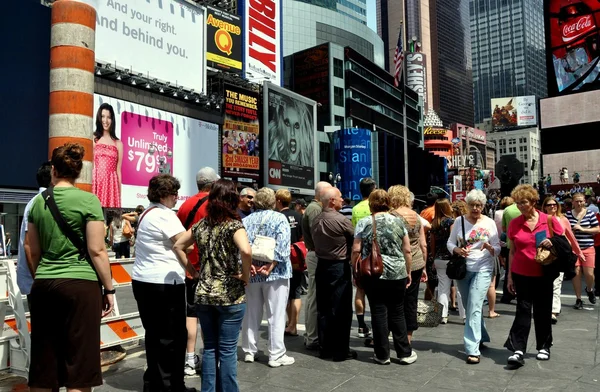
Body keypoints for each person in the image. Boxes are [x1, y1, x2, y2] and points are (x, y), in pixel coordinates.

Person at [25, 143, 115, 390]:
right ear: (78, 172)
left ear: (53, 170)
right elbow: (97, 250)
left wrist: (41, 275)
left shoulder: (37, 203)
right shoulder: (89, 201)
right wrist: (109, 289)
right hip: (81, 286)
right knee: (79, 366)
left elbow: (30, 249)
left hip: (44, 285)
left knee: (45, 364)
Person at [173, 179, 251, 392]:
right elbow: (246, 251)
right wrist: (245, 275)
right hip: (229, 294)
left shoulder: (201, 225)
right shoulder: (234, 225)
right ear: (232, 198)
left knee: (209, 348)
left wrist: (192, 270)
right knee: (227, 350)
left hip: (204, 292)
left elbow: (178, 245)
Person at [132, 174, 198, 392]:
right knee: (172, 337)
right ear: (164, 195)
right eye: (174, 194)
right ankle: (171, 385)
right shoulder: (164, 215)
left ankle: (154, 382)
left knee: (154, 335)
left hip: (143, 280)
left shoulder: (146, 213)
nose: (176, 198)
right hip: (164, 283)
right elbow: (184, 244)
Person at [352, 189, 417, 365]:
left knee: (378, 312)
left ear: (371, 203)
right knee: (397, 312)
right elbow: (407, 250)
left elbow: (356, 249)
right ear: (388, 202)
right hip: (397, 273)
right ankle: (404, 353)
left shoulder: (364, 222)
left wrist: (355, 270)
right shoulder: (398, 222)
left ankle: (382, 355)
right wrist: (408, 271)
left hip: (372, 273)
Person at [504, 185, 564, 367]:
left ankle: (544, 346)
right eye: (518, 203)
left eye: (524, 202)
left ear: (533, 202)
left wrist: (551, 241)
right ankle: (518, 349)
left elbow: (562, 242)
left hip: (544, 273)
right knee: (522, 309)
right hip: (522, 273)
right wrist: (509, 276)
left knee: (543, 310)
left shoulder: (550, 220)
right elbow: (512, 252)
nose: (521, 206)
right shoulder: (515, 223)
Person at [241, 188, 294, 367]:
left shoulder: (246, 220)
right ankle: (276, 354)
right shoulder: (280, 218)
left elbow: (242, 247)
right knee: (276, 314)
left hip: (252, 272)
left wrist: (250, 266)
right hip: (276, 273)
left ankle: (249, 350)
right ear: (273, 202)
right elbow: (283, 247)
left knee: (251, 313)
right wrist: (271, 266)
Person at [447, 189, 501, 365]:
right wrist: (457, 250)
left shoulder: (490, 223)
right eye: (472, 205)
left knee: (475, 306)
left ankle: (472, 348)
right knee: (469, 305)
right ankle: (482, 335)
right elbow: (450, 242)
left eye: (479, 205)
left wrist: (492, 249)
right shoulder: (459, 221)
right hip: (463, 268)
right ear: (467, 206)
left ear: (483, 206)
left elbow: (497, 246)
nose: (476, 209)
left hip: (483, 267)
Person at [176, 167, 220, 377]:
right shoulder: (214, 205)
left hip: (189, 268)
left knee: (191, 313)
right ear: (212, 185)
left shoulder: (185, 205)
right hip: (210, 268)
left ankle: (189, 359)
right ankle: (209, 356)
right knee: (210, 315)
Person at [312, 187, 357, 361]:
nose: (341, 201)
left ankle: (325, 348)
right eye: (339, 198)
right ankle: (340, 350)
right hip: (338, 266)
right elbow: (355, 238)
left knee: (323, 308)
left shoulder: (316, 219)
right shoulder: (341, 220)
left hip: (321, 264)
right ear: (331, 200)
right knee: (342, 308)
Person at [388, 185, 427, 343]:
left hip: (397, 263)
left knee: (394, 302)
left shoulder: (391, 215)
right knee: (411, 301)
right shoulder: (416, 216)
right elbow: (423, 244)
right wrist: (423, 266)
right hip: (416, 263)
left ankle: (394, 334)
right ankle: (407, 339)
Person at [542, 196, 584, 324]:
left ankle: (553, 311)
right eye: (549, 205)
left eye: (555, 204)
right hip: (545, 255)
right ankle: (547, 308)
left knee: (556, 283)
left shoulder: (563, 219)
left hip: (560, 255)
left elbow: (571, 237)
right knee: (545, 284)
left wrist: (578, 252)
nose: (552, 206)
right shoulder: (540, 219)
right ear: (545, 207)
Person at [300, 181, 332, 351]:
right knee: (313, 296)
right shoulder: (314, 209)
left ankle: (314, 334)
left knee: (316, 295)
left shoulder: (315, 208)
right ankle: (312, 336)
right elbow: (318, 234)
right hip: (316, 254)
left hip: (317, 253)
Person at [17, 162, 52, 299]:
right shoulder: (41, 202)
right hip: (40, 282)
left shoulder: (36, 201)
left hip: (38, 281)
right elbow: (29, 245)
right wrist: (40, 280)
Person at [430, 198, 465, 324]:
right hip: (452, 258)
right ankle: (464, 315)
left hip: (439, 259)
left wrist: (434, 258)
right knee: (459, 287)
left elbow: (432, 244)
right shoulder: (452, 222)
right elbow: (454, 239)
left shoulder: (434, 223)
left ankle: (443, 315)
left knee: (442, 287)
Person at [275, 189, 304, 337]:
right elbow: (302, 238)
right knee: (296, 292)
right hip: (296, 259)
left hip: (280, 260)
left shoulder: (277, 217)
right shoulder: (299, 215)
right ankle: (293, 323)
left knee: (285, 293)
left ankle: (290, 323)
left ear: (279, 201)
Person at [351, 178, 377, 339]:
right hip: (378, 255)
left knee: (360, 290)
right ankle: (377, 325)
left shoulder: (355, 209)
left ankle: (361, 325)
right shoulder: (378, 208)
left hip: (361, 255)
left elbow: (355, 234)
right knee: (377, 293)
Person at [567, 192, 600, 309]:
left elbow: (597, 229)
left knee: (589, 274)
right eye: (577, 201)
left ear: (585, 201)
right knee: (576, 274)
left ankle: (590, 289)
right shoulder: (568, 215)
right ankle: (578, 299)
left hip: (588, 247)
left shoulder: (590, 214)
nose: (579, 203)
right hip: (574, 250)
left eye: (581, 201)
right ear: (573, 202)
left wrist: (582, 229)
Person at [267, 95, 314, 166]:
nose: (292, 132)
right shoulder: (273, 162)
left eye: (296, 126)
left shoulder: (309, 167)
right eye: (287, 123)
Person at [93, 103, 122, 208]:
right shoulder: (94, 139)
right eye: (103, 116)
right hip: (96, 180)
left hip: (111, 183)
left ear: (112, 119)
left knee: (111, 219)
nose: (105, 120)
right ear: (99, 118)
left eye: (109, 117)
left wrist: (119, 196)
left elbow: (118, 171)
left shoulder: (118, 143)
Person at [500, 200, 522, 304]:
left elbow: (504, 229)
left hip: (511, 244)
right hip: (524, 246)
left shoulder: (507, 210)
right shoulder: (530, 210)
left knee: (510, 270)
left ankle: (507, 295)